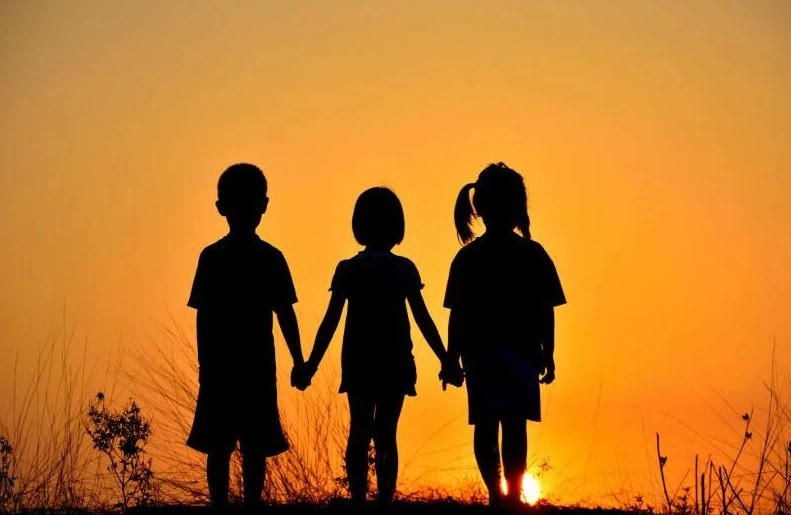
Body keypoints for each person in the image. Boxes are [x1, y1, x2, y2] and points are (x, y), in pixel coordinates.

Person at [295, 187, 462, 505]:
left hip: (359, 360)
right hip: (395, 360)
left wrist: (310, 365)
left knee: (359, 429)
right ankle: (385, 498)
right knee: (387, 432)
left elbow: (330, 322)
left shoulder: (348, 269)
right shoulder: (404, 268)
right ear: (397, 226)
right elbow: (423, 318)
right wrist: (445, 358)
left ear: (359, 225)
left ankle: (359, 498)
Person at [443, 163, 566, 506]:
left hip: (480, 355)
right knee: (514, 425)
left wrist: (452, 357)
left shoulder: (467, 258)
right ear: (518, 208)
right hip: (521, 353)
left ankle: (497, 494)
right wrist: (548, 352)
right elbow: (546, 310)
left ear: (479, 208)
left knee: (485, 424)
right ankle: (511, 496)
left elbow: (458, 315)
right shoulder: (533, 254)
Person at [186, 163, 305, 508]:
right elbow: (285, 313)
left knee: (224, 445)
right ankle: (246, 505)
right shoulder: (268, 257)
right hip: (251, 366)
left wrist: (205, 362)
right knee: (247, 445)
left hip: (228, 366)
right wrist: (299, 361)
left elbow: (204, 317)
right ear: (264, 205)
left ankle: (223, 506)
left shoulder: (215, 257)